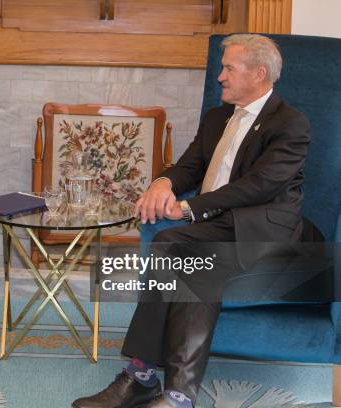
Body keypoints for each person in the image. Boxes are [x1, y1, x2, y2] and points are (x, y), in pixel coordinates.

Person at [72, 34, 312, 408]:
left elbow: (260, 186)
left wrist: (188, 208)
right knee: (193, 264)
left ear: (258, 74)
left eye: (228, 68)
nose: (219, 77)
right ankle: (172, 392)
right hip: (216, 227)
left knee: (174, 246)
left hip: (260, 229)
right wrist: (162, 183)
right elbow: (189, 166)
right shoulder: (218, 118)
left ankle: (143, 377)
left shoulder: (290, 124)